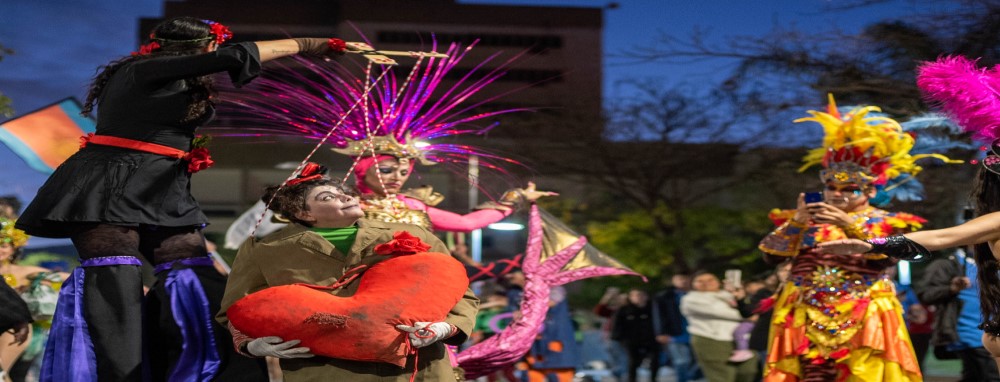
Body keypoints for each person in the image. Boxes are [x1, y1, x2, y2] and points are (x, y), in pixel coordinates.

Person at [13, 16, 356, 381]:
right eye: (212, 47)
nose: (214, 52)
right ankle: (119, 377)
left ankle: (207, 373)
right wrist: (309, 44)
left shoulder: (173, 79)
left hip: (160, 188)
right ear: (201, 47)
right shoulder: (144, 68)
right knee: (116, 279)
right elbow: (234, 56)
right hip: (109, 183)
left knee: (195, 275)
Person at [216, 166, 479, 381]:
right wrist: (251, 344)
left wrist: (447, 327)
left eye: (343, 192)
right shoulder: (266, 251)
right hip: (325, 372)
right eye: (327, 197)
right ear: (302, 212)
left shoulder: (411, 235)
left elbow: (461, 294)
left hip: (418, 371)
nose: (345, 197)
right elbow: (235, 311)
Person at [757, 96, 954, 381]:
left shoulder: (889, 221)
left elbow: (889, 255)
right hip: (804, 311)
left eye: (848, 188)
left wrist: (850, 225)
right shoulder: (801, 219)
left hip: (864, 310)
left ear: (870, 191)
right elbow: (770, 256)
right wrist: (797, 222)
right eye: (831, 187)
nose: (837, 194)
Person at [918, 247, 1000, 381]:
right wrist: (951, 288)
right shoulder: (948, 264)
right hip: (968, 334)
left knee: (975, 377)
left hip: (992, 331)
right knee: (991, 377)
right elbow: (925, 294)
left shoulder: (991, 264)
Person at [0, 218, 66, 382]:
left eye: (4, 245)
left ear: (13, 248)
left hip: (15, 328)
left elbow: (64, 277)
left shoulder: (23, 271)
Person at [680, 271, 757, 382]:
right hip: (712, 340)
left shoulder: (727, 294)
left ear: (718, 281)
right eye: (700, 281)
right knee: (722, 376)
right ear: (692, 284)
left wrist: (739, 296)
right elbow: (723, 313)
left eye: (710, 280)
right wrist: (751, 316)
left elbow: (749, 307)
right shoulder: (690, 299)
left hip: (742, 340)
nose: (706, 283)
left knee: (748, 372)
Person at [653, 272, 701, 382]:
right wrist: (660, 332)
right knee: (681, 361)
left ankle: (692, 377)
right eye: (679, 279)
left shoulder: (697, 295)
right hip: (676, 333)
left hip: (698, 332)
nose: (683, 281)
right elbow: (659, 316)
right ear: (673, 281)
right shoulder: (665, 296)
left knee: (700, 361)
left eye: (685, 278)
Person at [611, 289, 661, 382]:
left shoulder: (653, 309)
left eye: (641, 295)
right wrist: (618, 338)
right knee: (632, 361)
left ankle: (653, 379)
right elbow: (617, 325)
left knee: (655, 360)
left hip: (651, 338)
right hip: (631, 340)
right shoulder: (624, 310)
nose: (638, 298)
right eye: (635, 296)